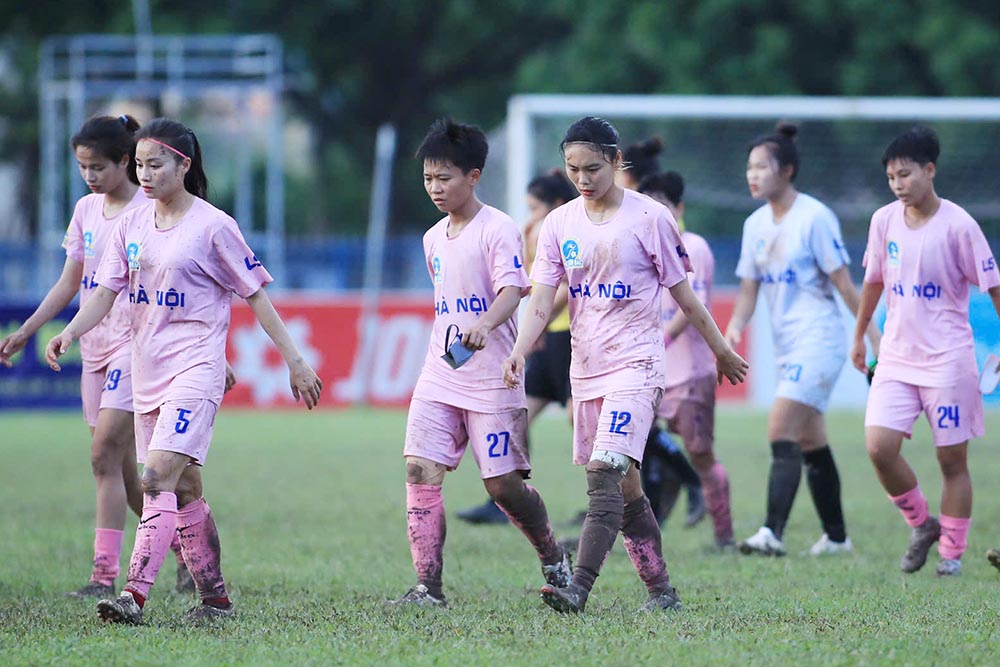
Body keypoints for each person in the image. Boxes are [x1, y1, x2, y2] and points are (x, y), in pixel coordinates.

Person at [45, 117, 323, 625]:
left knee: (154, 478)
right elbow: (104, 292)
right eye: (139, 165)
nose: (145, 175)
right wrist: (70, 332)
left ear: (183, 166)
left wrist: (296, 360)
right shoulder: (132, 225)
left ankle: (132, 597)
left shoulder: (214, 226)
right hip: (146, 370)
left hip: (196, 369)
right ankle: (216, 601)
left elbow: (256, 296)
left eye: (155, 165)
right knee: (187, 488)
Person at [503, 116, 747, 614]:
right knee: (628, 488)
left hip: (637, 365)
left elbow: (686, 297)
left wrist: (720, 349)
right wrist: (519, 349)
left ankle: (578, 589)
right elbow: (543, 299)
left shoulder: (651, 218)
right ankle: (662, 592)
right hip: (586, 369)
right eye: (573, 169)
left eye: (592, 168)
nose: (583, 179)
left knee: (603, 473)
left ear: (616, 161)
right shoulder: (559, 224)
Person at [0, 114, 199, 598]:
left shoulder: (150, 210)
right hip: (92, 345)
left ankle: (103, 576)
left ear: (124, 162)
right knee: (120, 470)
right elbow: (71, 282)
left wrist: (205, 350)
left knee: (103, 448)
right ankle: (186, 551)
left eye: (97, 167)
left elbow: (179, 285)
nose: (89, 176)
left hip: (135, 346)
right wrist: (29, 329)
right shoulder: (86, 211)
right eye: (82, 167)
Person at [395, 119, 571, 607]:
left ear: (473, 176)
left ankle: (552, 554)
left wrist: (487, 324)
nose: (435, 188)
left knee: (502, 487)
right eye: (428, 178)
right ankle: (428, 588)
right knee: (419, 470)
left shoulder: (498, 228)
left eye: (444, 177)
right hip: (441, 373)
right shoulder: (432, 238)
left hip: (493, 377)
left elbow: (514, 290)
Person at [851, 126, 1000, 577]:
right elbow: (874, 281)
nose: (897, 185)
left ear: (930, 170)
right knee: (879, 447)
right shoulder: (883, 221)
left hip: (948, 361)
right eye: (891, 178)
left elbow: (993, 286)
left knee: (951, 461)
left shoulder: (959, 225)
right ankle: (922, 525)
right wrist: (859, 336)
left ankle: (951, 555)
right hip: (896, 357)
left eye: (905, 175)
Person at [726, 122, 880, 557]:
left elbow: (846, 285)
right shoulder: (754, 225)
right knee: (812, 441)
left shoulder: (815, 217)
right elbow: (748, 291)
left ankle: (771, 534)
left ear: (787, 170)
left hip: (820, 340)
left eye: (761, 167)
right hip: (786, 346)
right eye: (749, 167)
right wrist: (733, 327)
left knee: (781, 428)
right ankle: (837, 538)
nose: (753, 175)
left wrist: (873, 336)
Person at [457, 170, 577, 526]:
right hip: (544, 339)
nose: (531, 216)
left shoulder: (569, 231)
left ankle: (615, 499)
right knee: (517, 415)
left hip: (568, 337)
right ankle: (507, 500)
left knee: (583, 422)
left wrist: (538, 324)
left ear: (556, 205)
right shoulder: (535, 232)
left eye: (535, 208)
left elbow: (565, 286)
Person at [638, 171, 733, 548]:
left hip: (689, 372)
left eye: (661, 206)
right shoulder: (639, 248)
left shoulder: (695, 247)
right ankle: (642, 532)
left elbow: (695, 304)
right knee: (634, 446)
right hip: (648, 372)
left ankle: (724, 536)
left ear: (678, 208)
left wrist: (661, 339)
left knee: (700, 452)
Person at [618, 137, 705, 529]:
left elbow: (689, 300)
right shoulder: (632, 220)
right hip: (635, 343)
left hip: (659, 350)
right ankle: (652, 503)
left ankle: (687, 479)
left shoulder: (666, 231)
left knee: (643, 431)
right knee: (638, 434)